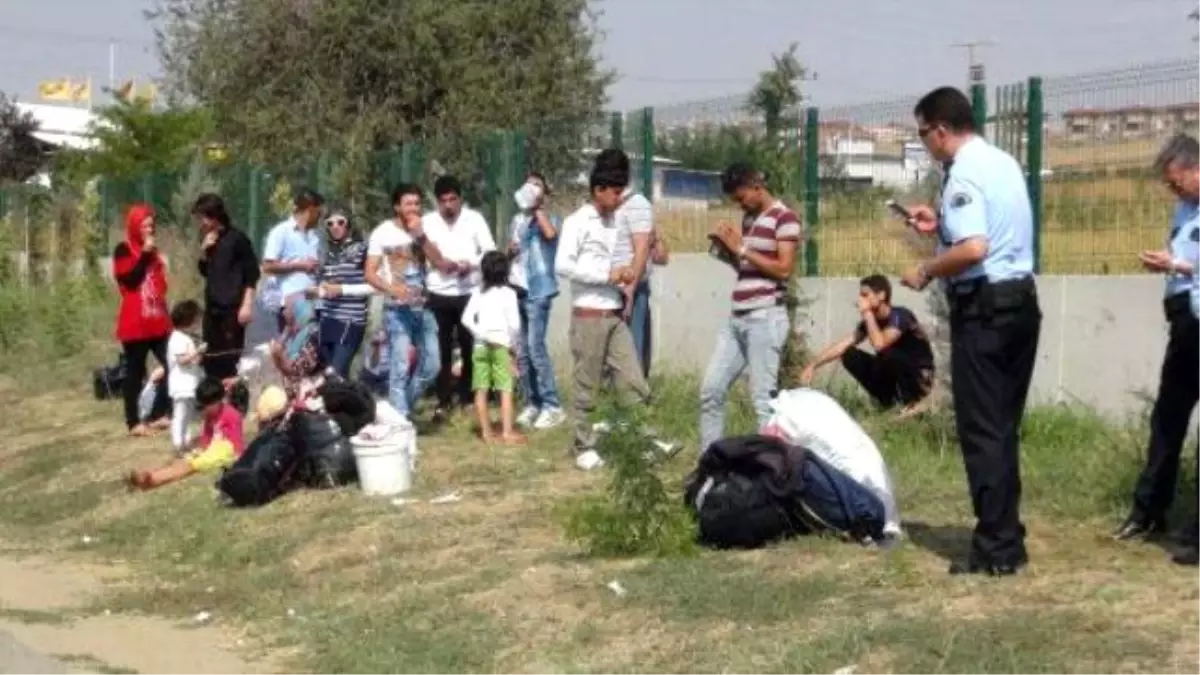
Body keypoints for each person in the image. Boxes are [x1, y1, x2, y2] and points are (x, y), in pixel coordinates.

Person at [898, 86, 1041, 576]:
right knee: (1001, 427)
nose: (924, 144)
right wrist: (938, 223)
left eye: (922, 134)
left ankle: (996, 550)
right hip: (1020, 302)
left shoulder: (962, 173)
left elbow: (975, 248)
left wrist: (928, 270)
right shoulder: (1001, 162)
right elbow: (992, 231)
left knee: (981, 430)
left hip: (984, 311)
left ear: (940, 129)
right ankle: (1008, 535)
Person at [1114, 133, 1200, 566]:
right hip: (1185, 321)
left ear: (1194, 168)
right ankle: (1149, 511)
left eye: (1176, 181)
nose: (1173, 190)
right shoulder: (1185, 210)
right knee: (1167, 418)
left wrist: (1180, 265)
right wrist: (1168, 261)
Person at [698, 162, 801, 456]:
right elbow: (746, 268)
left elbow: (783, 270)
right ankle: (709, 463)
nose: (739, 203)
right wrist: (726, 251)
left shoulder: (785, 218)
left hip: (765, 318)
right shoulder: (749, 219)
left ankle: (771, 472)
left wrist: (743, 249)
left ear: (757, 185)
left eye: (741, 197)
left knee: (762, 401)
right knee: (711, 391)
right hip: (738, 318)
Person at [555, 160, 651, 471]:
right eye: (615, 192)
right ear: (599, 190)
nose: (619, 198)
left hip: (614, 313)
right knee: (587, 383)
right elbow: (564, 266)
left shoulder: (613, 223)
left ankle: (642, 439)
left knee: (633, 380)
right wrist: (606, 275)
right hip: (589, 315)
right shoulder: (577, 222)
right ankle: (583, 445)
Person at [365, 183, 446, 426]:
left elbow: (438, 261)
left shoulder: (427, 228)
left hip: (424, 307)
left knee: (432, 365)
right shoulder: (382, 232)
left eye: (417, 203)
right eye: (408, 203)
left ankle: (401, 409)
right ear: (397, 206)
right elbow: (369, 273)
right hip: (397, 310)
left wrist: (420, 236)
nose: (413, 208)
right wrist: (392, 289)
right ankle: (400, 421)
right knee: (399, 367)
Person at [801, 274, 935, 415]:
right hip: (895, 372)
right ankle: (888, 402)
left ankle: (913, 403)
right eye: (860, 295)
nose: (861, 300)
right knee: (849, 354)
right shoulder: (870, 322)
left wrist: (866, 312)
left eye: (865, 295)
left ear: (881, 295)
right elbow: (842, 345)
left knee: (888, 353)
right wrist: (813, 365)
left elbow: (880, 344)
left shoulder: (900, 316)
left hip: (920, 376)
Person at [422, 175, 497, 421]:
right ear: (437, 202)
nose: (449, 206)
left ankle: (467, 397)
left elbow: (489, 249)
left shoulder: (474, 219)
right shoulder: (428, 222)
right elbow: (421, 252)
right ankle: (443, 400)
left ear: (461, 199)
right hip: (438, 291)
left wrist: (470, 264)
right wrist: (438, 265)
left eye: (453, 200)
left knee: (468, 346)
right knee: (440, 349)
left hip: (467, 292)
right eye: (443, 201)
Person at [507, 172, 566, 430]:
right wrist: (510, 251)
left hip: (539, 290)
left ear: (545, 192)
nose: (531, 187)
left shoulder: (549, 217)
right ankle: (533, 402)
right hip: (517, 288)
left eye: (537, 184)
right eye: (528, 183)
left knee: (536, 348)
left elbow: (551, 236)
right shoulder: (517, 220)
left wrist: (537, 208)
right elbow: (512, 249)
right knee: (522, 350)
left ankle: (553, 406)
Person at [112, 203, 173, 436]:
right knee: (135, 372)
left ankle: (158, 413)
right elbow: (130, 280)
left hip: (156, 319)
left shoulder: (153, 251)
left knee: (173, 362)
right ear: (135, 227)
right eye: (145, 225)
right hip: (135, 321)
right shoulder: (123, 249)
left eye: (151, 225)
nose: (150, 229)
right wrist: (146, 254)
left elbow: (159, 286)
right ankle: (133, 422)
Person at [128, 377, 246, 491]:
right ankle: (150, 477)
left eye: (205, 405)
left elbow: (237, 442)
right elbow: (207, 436)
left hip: (225, 451)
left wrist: (237, 461)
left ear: (218, 400)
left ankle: (153, 479)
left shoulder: (232, 415)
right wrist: (199, 450)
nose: (203, 409)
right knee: (184, 460)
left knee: (191, 465)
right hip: (213, 449)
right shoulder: (210, 416)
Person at [194, 193, 260, 382]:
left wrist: (247, 304)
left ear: (213, 216)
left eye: (202, 217)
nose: (201, 223)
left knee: (230, 360)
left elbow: (252, 274)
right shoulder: (207, 239)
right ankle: (213, 400)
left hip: (232, 308)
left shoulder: (238, 239)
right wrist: (204, 251)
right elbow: (205, 271)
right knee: (210, 359)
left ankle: (231, 403)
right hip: (212, 309)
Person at [462, 251, 525, 444]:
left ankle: (486, 433)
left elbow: (466, 319)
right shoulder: (509, 294)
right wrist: (514, 348)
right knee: (504, 389)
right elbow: (514, 325)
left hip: (480, 346)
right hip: (502, 346)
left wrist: (481, 335)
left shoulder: (478, 292)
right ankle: (507, 432)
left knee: (481, 389)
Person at [311, 205, 369, 378]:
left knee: (334, 373)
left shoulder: (362, 250)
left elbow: (374, 285)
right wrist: (318, 290)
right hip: (327, 319)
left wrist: (342, 289)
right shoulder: (327, 253)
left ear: (349, 224)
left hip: (350, 320)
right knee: (335, 376)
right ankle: (346, 404)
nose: (335, 226)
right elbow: (324, 285)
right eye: (330, 223)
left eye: (340, 222)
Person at [261, 188, 325, 332]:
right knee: (293, 350)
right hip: (291, 303)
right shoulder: (281, 232)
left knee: (311, 351)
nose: (320, 217)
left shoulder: (316, 236)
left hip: (315, 302)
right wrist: (300, 266)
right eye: (318, 212)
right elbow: (268, 266)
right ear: (309, 210)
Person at [166, 300, 206, 453]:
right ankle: (178, 443)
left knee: (189, 416)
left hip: (191, 384)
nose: (197, 323)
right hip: (180, 385)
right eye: (195, 320)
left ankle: (187, 441)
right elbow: (182, 360)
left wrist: (200, 353)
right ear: (187, 320)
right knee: (180, 415)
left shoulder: (187, 338)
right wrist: (197, 351)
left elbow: (193, 361)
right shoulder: (176, 338)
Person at [270, 295, 323, 398]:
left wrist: (278, 356)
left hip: (307, 389)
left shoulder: (312, 335)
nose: (283, 312)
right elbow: (279, 345)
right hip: (292, 383)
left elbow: (296, 370)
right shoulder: (296, 329)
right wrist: (287, 330)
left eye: (286, 308)